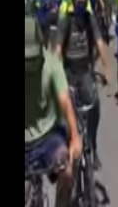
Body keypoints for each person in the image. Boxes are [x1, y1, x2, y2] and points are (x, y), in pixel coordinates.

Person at [54, 0, 111, 170]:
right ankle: (66, 150)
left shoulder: (90, 18)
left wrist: (107, 68)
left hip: (85, 73)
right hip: (68, 74)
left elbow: (100, 43)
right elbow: (56, 51)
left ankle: (93, 148)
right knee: (64, 117)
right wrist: (55, 76)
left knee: (94, 107)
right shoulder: (65, 20)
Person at [25, 32, 82, 207]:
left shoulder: (51, 63)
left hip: (49, 136)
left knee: (66, 168)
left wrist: (75, 137)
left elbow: (65, 100)